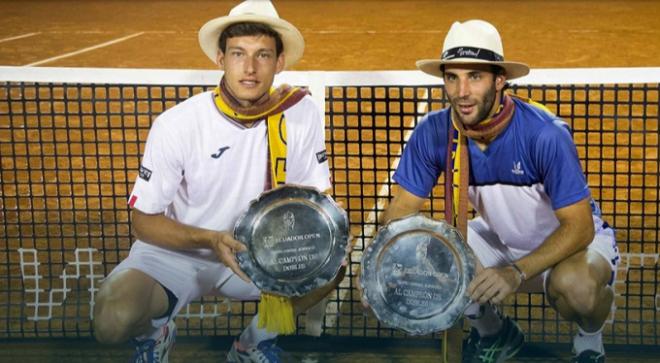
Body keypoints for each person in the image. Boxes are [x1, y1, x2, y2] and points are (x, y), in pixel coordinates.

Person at [93, 1, 337, 362]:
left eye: (263, 55)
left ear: (280, 62)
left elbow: (316, 197)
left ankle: (252, 344)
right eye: (238, 53)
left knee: (330, 264)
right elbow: (142, 222)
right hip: (177, 252)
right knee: (111, 321)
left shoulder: (301, 113)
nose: (250, 68)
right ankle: (155, 332)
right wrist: (210, 238)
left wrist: (323, 235)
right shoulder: (177, 124)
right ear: (220, 58)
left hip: (254, 253)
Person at [379, 20, 619, 363]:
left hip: (570, 246)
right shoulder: (434, 132)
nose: (461, 91)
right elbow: (401, 211)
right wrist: (383, 263)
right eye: (452, 77)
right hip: (500, 240)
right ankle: (496, 334)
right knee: (427, 255)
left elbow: (580, 227)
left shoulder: (544, 134)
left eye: (474, 76)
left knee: (577, 290)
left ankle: (590, 340)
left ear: (499, 79)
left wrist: (517, 271)